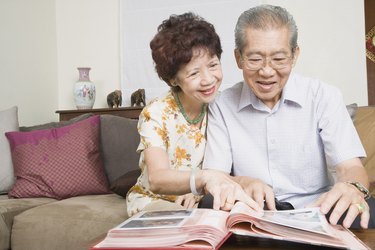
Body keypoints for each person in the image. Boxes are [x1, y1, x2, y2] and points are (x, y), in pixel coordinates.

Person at [203, 4, 374, 229]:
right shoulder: (221, 105)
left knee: (363, 211)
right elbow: (215, 177)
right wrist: (243, 182)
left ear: (295, 55)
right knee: (207, 205)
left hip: (319, 211)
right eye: (254, 59)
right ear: (238, 58)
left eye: (279, 59)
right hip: (253, 212)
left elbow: (350, 167)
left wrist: (352, 187)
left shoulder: (323, 96)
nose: (266, 71)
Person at [126, 12, 260, 217]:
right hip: (154, 201)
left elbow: (226, 170)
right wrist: (202, 181)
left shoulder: (222, 105)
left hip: (201, 198)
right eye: (194, 73)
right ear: (173, 80)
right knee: (183, 221)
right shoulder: (156, 113)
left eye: (213, 65)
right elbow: (157, 178)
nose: (208, 80)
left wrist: (200, 191)